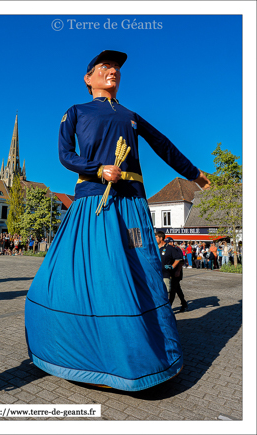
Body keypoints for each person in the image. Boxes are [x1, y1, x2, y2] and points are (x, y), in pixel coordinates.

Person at [25, 50, 210, 391]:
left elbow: (164, 146)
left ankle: (143, 358)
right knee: (91, 276)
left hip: (133, 207)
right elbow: (65, 155)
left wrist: (195, 174)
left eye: (116, 68)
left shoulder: (131, 116)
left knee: (141, 276)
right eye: (104, 66)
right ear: (88, 78)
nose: (112, 71)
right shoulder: (76, 112)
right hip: (94, 202)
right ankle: (80, 353)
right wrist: (96, 168)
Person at [164, 237, 188, 312]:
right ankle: (184, 303)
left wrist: (178, 271)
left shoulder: (177, 249)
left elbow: (181, 261)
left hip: (176, 272)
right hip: (170, 272)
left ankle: (169, 306)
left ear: (171, 243)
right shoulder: (167, 249)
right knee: (177, 289)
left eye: (168, 243)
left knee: (173, 290)